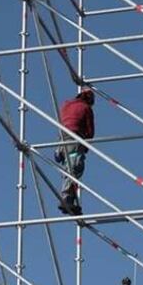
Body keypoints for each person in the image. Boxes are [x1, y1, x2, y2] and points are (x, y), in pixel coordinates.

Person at [55, 86, 95, 215]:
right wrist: (86, 145)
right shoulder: (85, 108)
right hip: (75, 137)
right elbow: (89, 131)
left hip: (63, 138)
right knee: (75, 166)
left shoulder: (66, 105)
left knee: (68, 166)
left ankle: (69, 198)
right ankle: (67, 199)